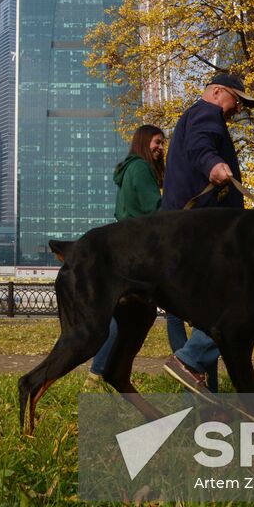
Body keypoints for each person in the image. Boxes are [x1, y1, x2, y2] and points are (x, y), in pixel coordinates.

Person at [160, 71, 254, 394]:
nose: (238, 109)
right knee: (240, 299)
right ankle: (189, 360)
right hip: (204, 232)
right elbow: (202, 144)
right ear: (217, 92)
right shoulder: (206, 113)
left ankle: (205, 389)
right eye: (237, 100)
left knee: (209, 314)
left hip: (190, 229)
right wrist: (213, 164)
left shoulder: (193, 115)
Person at [87, 124, 166, 380]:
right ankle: (188, 362)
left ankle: (97, 373)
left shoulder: (129, 169)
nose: (160, 148)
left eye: (162, 143)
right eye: (156, 142)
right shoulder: (141, 168)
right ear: (143, 142)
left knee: (121, 314)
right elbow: (155, 208)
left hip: (125, 245)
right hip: (141, 249)